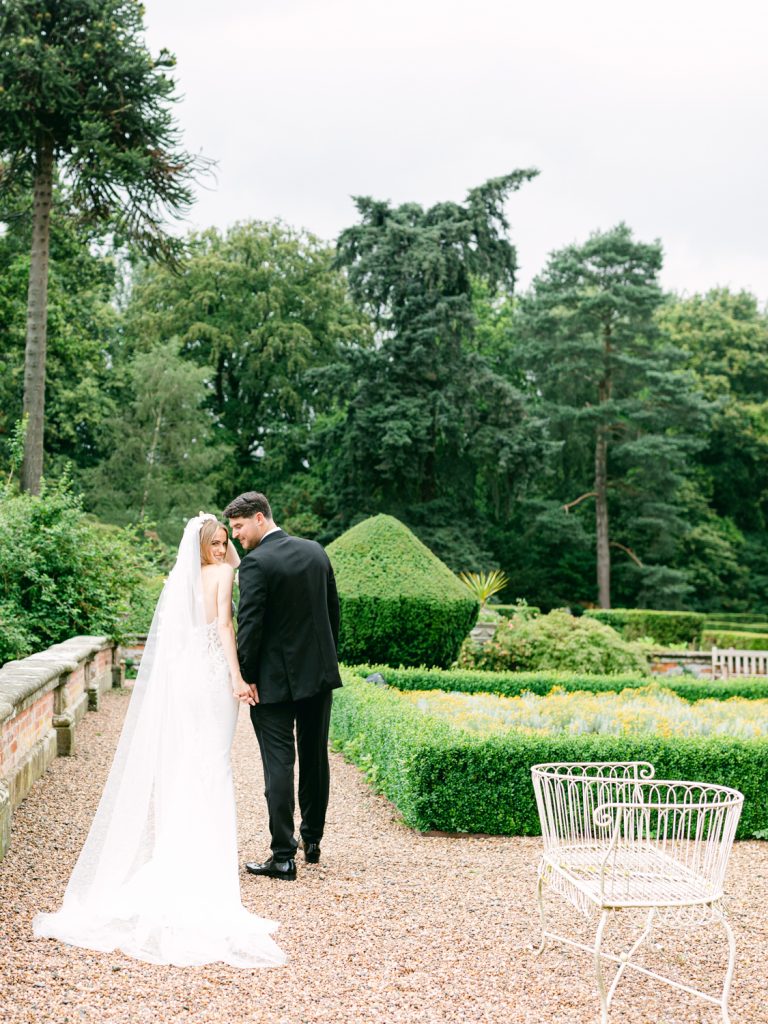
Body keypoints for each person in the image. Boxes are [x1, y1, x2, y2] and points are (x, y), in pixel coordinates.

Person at [33, 514, 286, 968]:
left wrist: (209, 542)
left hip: (187, 678)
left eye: (225, 541)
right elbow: (225, 628)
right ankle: (205, 869)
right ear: (207, 546)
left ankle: (178, 852)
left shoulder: (181, 581)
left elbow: (186, 632)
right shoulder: (226, 571)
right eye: (217, 542)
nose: (222, 548)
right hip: (212, 679)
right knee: (214, 765)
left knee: (190, 762)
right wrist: (237, 677)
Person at [223, 491, 342, 881]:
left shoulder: (256, 564)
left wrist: (245, 677)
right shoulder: (315, 552)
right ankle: (314, 841)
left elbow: (250, 628)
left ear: (260, 518)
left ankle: (282, 856)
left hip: (272, 684)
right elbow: (332, 614)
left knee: (278, 764)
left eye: (239, 527)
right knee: (314, 757)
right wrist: (326, 661)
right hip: (318, 676)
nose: (236, 536)